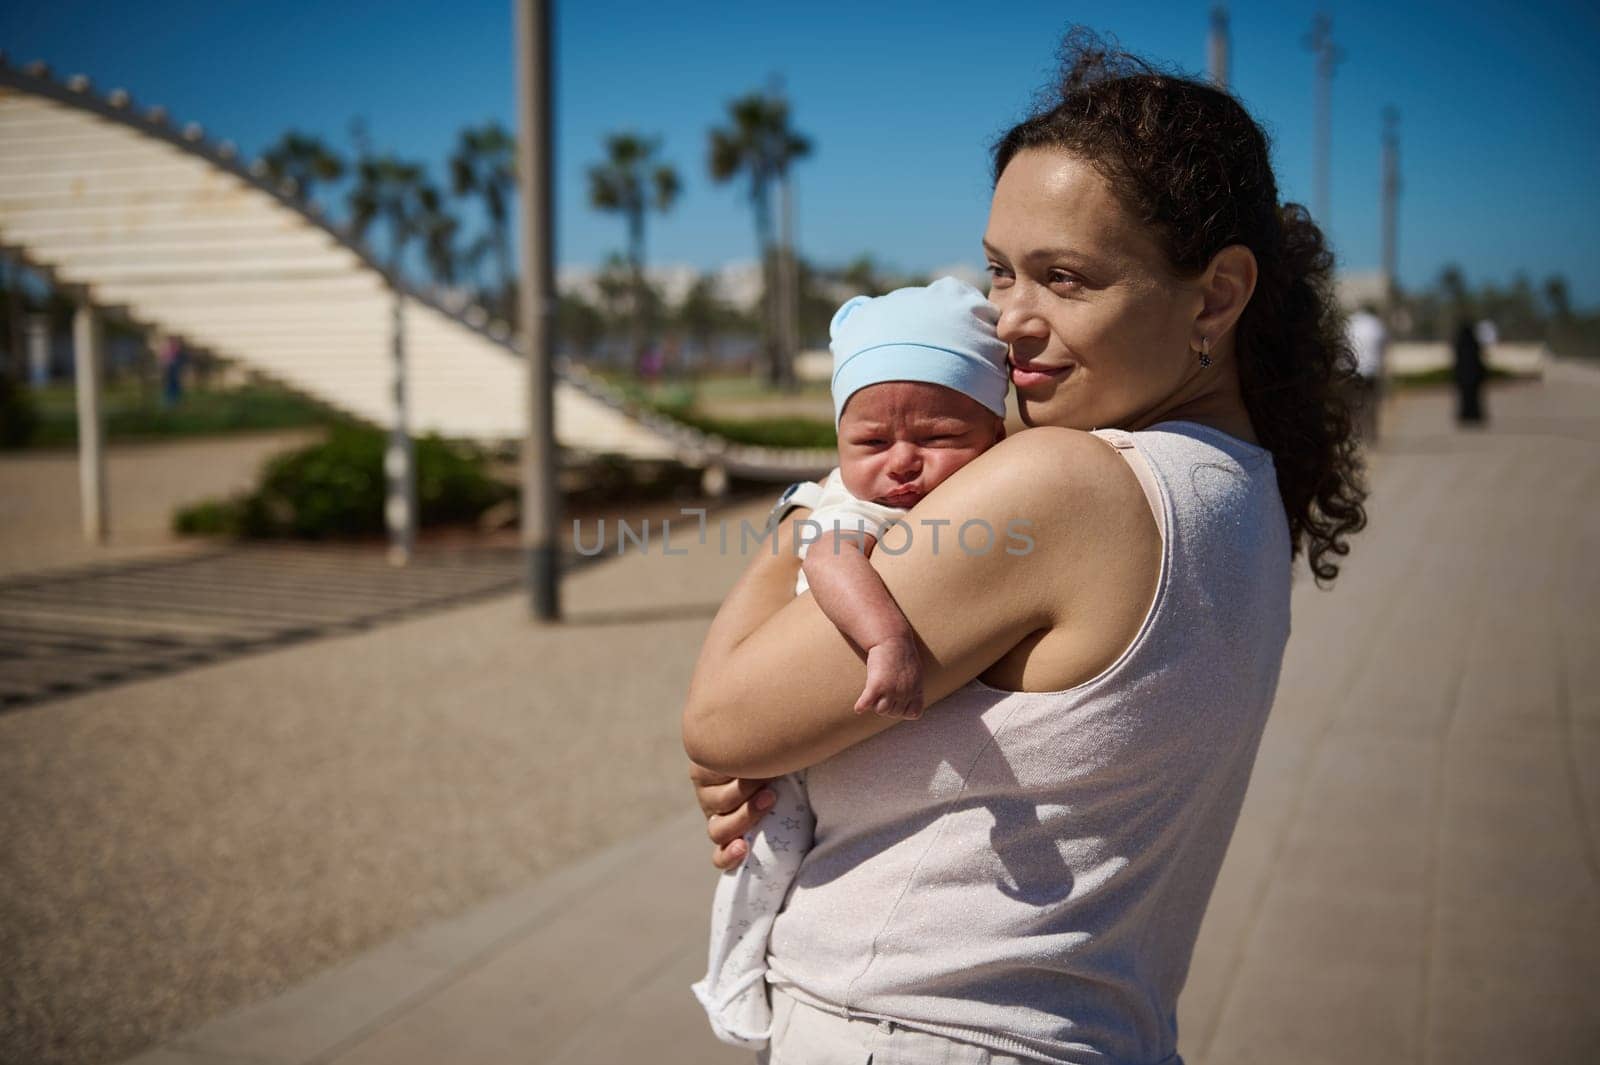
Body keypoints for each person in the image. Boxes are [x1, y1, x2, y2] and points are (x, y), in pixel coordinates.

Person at [684, 30, 1367, 1065]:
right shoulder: (1238, 490)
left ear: (1218, 296)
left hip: (913, 1034)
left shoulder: (1066, 484)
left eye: (1066, 279)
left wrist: (809, 513)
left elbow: (723, 718)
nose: (1011, 323)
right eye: (1001, 273)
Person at [692, 277, 1011, 1048]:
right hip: (804, 729)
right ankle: (731, 975)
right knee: (762, 854)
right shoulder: (849, 507)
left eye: (938, 436)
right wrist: (889, 640)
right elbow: (832, 556)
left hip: (845, 739)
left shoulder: (988, 497)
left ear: (996, 430)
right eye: (871, 442)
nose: (902, 461)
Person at [1345, 303, 1387, 442]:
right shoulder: (1375, 324)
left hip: (1354, 370)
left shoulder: (1350, 323)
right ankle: (1371, 433)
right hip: (1371, 370)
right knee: (1371, 402)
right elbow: (1383, 346)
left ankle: (1357, 433)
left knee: (1355, 403)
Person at [1453, 318, 1487, 425]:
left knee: (1465, 397)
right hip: (1474, 376)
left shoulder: (1459, 344)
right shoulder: (1474, 343)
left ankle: (1466, 415)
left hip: (1463, 376)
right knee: (1473, 397)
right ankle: (1473, 415)